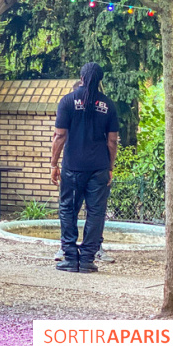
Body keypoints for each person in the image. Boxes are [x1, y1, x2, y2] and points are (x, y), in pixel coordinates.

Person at [51, 62, 119, 274]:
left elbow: (60, 136)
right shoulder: (108, 105)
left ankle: (70, 258)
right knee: (96, 213)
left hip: (73, 167)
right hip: (99, 167)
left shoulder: (68, 101)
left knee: (68, 210)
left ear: (81, 77)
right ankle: (88, 259)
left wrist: (53, 163)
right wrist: (110, 166)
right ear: (100, 80)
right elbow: (112, 141)